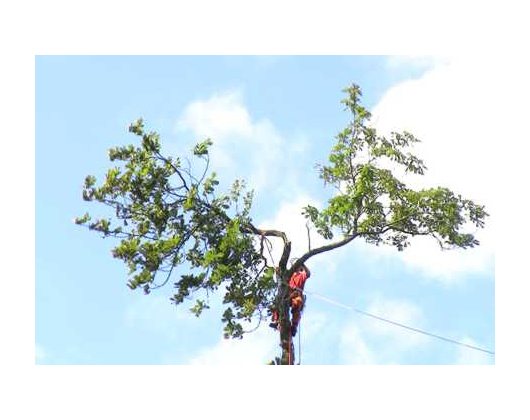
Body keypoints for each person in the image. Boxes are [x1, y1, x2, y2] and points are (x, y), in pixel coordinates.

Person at [269, 263, 311, 337]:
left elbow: (308, 273)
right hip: (287, 295)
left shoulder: (301, 275)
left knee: (298, 302)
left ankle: (294, 326)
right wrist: (278, 272)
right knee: (278, 300)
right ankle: (277, 322)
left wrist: (302, 264)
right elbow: (280, 280)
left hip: (296, 295)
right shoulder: (289, 275)